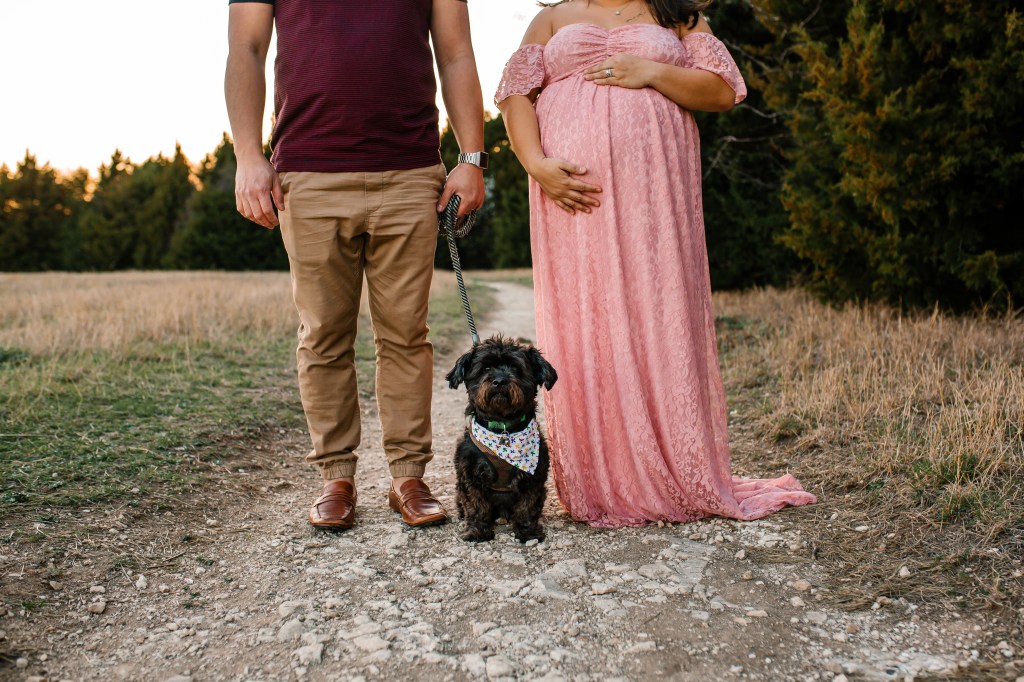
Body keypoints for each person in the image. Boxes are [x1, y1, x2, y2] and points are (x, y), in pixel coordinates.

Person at [495, 0, 816, 527]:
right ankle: (604, 477)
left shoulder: (676, 12)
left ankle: (673, 464)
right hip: (572, 198)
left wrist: (651, 72)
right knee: (590, 318)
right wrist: (536, 164)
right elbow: (514, 96)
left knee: (657, 310)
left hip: (653, 194)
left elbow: (722, 90)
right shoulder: (553, 17)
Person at [225, 0, 487, 530]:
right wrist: (248, 155)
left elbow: (456, 52)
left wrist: (471, 159)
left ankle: (408, 477)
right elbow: (246, 48)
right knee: (323, 334)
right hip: (308, 173)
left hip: (410, 171)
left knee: (406, 334)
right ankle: (336, 478)